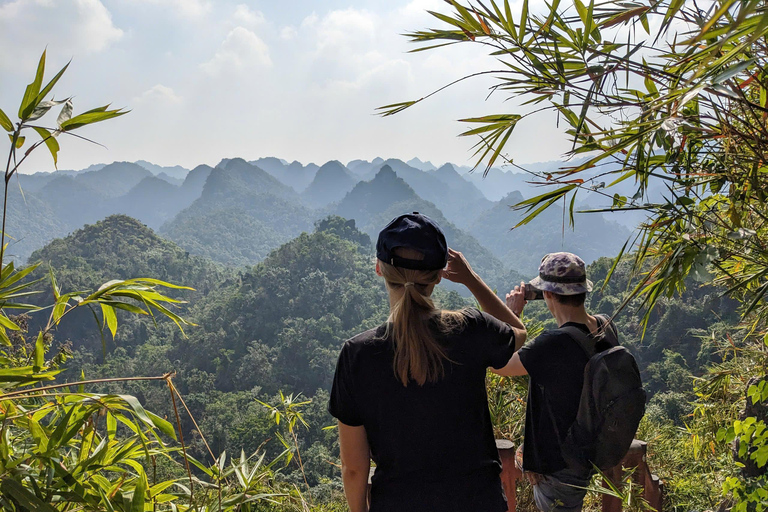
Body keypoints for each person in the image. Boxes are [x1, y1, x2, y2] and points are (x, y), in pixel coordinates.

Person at [328, 212, 527, 512]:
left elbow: (354, 469)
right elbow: (519, 334)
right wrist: (471, 280)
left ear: (379, 269)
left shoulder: (358, 355)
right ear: (438, 276)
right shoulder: (470, 329)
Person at [503, 252, 619, 512]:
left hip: (558, 466)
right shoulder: (605, 326)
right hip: (588, 451)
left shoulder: (552, 343)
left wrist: (513, 315)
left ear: (547, 294)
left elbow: (501, 365)